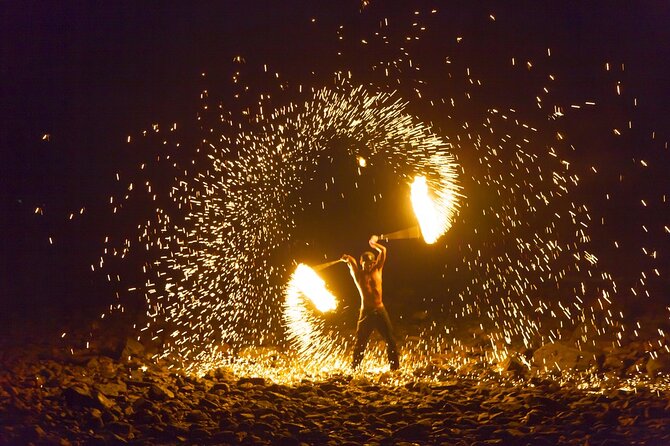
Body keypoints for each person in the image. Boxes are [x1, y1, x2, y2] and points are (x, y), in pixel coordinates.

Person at [341, 235, 400, 371]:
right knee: (360, 343)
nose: (369, 266)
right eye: (366, 264)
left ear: (374, 263)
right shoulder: (358, 275)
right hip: (366, 313)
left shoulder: (378, 270)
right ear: (362, 263)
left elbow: (383, 251)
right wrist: (347, 258)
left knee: (390, 340)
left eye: (371, 263)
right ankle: (354, 369)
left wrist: (374, 244)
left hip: (380, 310)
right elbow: (351, 261)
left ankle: (395, 369)